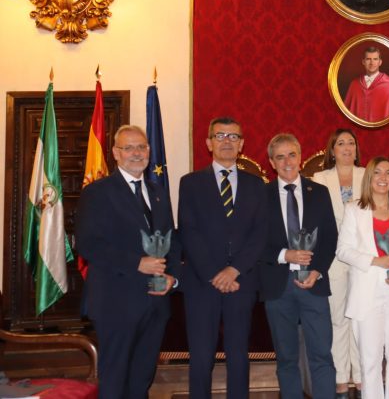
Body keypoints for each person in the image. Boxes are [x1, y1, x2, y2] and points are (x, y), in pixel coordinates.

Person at [76, 125, 178, 399]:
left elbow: (170, 240)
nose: (137, 153)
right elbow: (87, 243)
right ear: (115, 153)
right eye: (129, 147)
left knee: (142, 379)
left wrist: (172, 276)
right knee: (115, 379)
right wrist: (136, 263)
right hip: (116, 303)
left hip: (155, 302)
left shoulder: (158, 192)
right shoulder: (97, 192)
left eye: (142, 147)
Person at [177, 117, 268, 399]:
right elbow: (188, 232)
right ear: (208, 143)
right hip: (202, 283)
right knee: (202, 356)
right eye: (220, 136)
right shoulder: (190, 183)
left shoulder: (258, 185)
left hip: (242, 281)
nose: (227, 141)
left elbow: (260, 234)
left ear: (242, 144)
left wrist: (235, 270)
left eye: (233, 136)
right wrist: (216, 273)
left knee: (238, 355)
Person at [258, 133, 338, 398]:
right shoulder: (260, 195)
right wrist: (285, 255)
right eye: (280, 156)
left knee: (322, 356)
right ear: (271, 162)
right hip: (278, 288)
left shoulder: (320, 192)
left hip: (314, 285)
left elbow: (330, 237)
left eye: (291, 154)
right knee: (287, 359)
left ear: (301, 157)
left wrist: (318, 270)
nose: (287, 161)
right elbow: (254, 241)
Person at [336, 156, 389, 399]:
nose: (383, 178)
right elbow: (343, 251)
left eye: (388, 173)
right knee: (370, 362)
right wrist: (375, 261)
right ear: (369, 178)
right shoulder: (354, 209)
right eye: (378, 173)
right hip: (367, 294)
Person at [312, 129, 366, 398]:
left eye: (351, 143)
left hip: (364, 259)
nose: (346, 147)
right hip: (332, 259)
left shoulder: (368, 175)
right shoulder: (319, 179)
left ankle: (362, 377)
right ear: (331, 150)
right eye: (340, 143)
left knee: (360, 317)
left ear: (357, 149)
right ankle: (341, 380)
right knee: (338, 319)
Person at [343, 46, 389, 122]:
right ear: (363, 62)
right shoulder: (354, 85)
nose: (372, 63)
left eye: (375, 59)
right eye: (368, 59)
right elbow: (346, 116)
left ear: (380, 62)